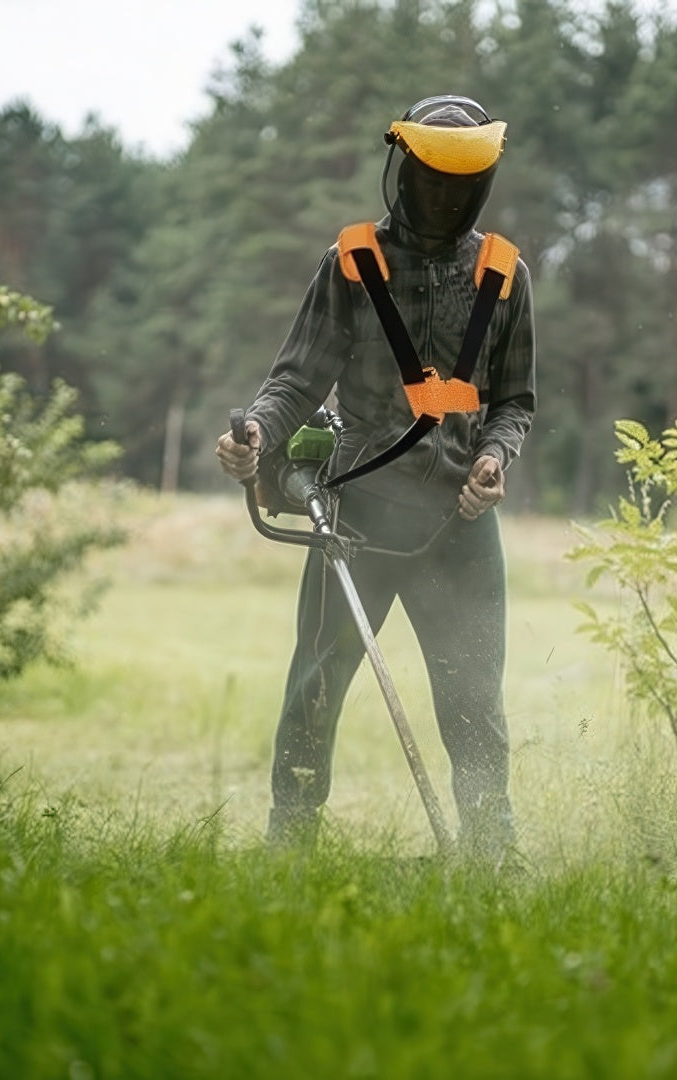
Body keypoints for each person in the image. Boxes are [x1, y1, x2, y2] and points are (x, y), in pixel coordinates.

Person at [215, 95, 535, 858]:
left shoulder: (503, 274)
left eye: (463, 184)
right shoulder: (353, 265)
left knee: (474, 703)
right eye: (432, 179)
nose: (445, 196)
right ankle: (289, 848)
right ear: (404, 167)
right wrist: (258, 433)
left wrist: (493, 459)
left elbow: (515, 403)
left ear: (483, 183)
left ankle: (492, 855)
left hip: (458, 524)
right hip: (354, 517)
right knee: (314, 689)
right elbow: (294, 382)